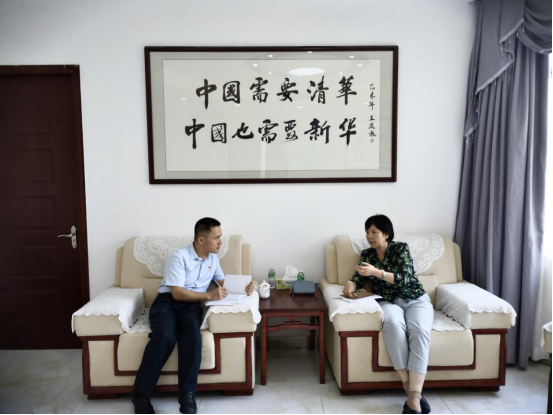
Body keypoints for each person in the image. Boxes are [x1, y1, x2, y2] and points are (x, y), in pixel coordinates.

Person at [132, 218, 254, 415]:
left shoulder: (213, 259)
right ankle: (140, 395)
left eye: (221, 237)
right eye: (217, 238)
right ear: (201, 239)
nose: (220, 242)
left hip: (192, 306)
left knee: (192, 336)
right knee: (165, 337)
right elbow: (177, 293)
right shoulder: (178, 257)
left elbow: (224, 284)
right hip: (167, 302)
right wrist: (209, 296)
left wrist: (244, 288)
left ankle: (187, 394)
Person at [343, 215, 434, 415]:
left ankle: (413, 397)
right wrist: (350, 284)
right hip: (388, 301)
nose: (369, 236)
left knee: (419, 330)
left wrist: (377, 272)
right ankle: (412, 394)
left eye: (374, 232)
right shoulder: (367, 254)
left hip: (415, 298)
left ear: (386, 234)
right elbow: (357, 277)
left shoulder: (400, 248)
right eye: (367, 232)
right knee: (392, 325)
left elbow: (405, 278)